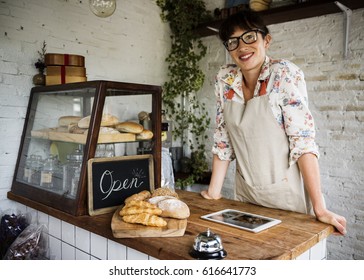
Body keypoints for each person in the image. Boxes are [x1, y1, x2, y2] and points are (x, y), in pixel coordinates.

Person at [201, 10, 346, 235]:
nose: (241, 47)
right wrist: (213, 193)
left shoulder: (283, 74)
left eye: (249, 37)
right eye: (232, 42)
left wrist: (320, 208)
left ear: (266, 40)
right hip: (246, 196)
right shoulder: (225, 79)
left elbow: (303, 143)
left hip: (287, 199)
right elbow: (223, 138)